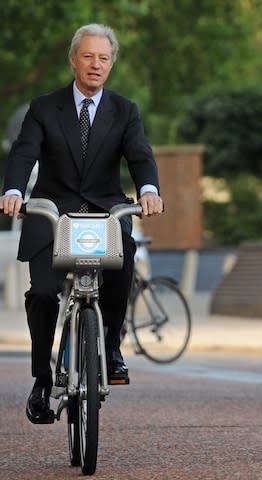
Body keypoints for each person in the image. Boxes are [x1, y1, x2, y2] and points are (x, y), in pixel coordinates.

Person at [0, 24, 164, 424]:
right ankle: (41, 379)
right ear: (74, 60)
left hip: (103, 210)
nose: (96, 64)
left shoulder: (125, 110)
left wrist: (148, 189)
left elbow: (140, 155)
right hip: (53, 211)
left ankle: (110, 348)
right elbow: (23, 154)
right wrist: (15, 191)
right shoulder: (44, 107)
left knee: (125, 257)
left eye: (103, 58)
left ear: (111, 64)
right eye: (88, 56)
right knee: (41, 294)